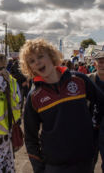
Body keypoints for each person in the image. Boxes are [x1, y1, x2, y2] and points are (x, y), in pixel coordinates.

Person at [19, 38, 104, 173]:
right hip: (54, 165)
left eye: (40, 56)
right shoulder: (34, 97)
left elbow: (101, 102)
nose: (37, 62)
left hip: (85, 161)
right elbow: (31, 139)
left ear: (51, 56)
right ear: (30, 68)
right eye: (32, 61)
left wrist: (94, 127)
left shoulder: (79, 80)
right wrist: (39, 169)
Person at [87, 52, 104, 172]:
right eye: (101, 62)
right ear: (95, 64)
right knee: (89, 162)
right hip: (90, 129)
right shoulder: (87, 80)